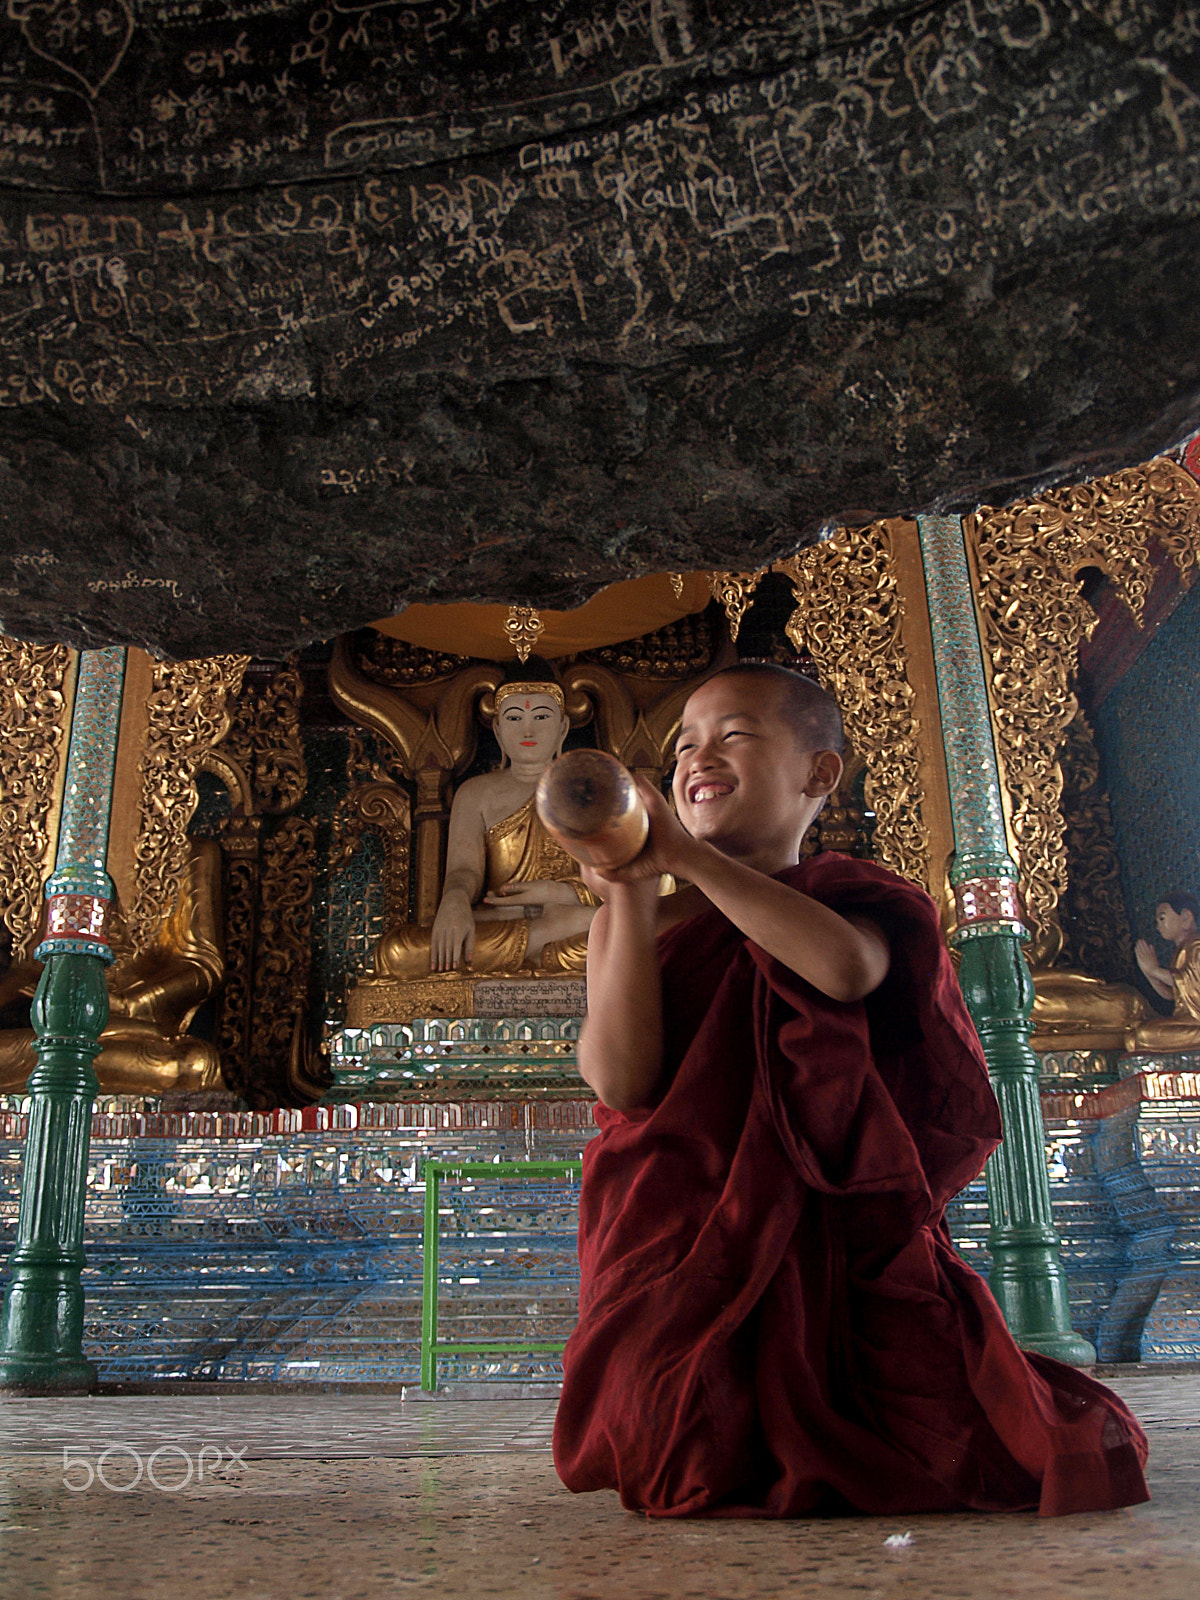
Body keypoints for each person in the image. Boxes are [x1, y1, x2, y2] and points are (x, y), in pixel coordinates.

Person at [552, 662, 1149, 1519]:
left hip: (812, 1213)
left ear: (818, 775)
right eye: (683, 744)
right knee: (658, 1441)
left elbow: (841, 969)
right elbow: (620, 1077)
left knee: (883, 1411)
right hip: (676, 1205)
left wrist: (688, 858)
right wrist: (637, 897)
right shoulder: (634, 916)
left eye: (733, 736)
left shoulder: (850, 896)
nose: (696, 758)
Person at [374, 660, 597, 978]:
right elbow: (464, 870)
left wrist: (557, 894)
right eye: (515, 717)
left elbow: (632, 880)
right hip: (499, 922)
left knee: (622, 931)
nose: (528, 729)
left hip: (578, 920)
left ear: (563, 727)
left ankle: (557, 932)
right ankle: (545, 938)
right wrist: (455, 899)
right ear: (497, 730)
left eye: (542, 716)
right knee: (396, 951)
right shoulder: (476, 793)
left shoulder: (590, 789)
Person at [1129, 891, 1200, 1052]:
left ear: (1186, 917)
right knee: (1135, 1036)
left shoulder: (1196, 947)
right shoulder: (1180, 951)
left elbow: (1190, 984)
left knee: (1143, 1035)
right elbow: (1170, 994)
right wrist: (1149, 972)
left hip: (1196, 1020)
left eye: (1162, 918)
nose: (1158, 926)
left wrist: (1154, 970)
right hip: (1186, 1021)